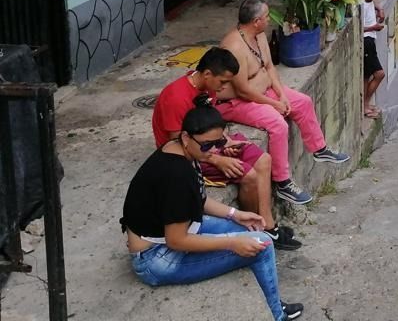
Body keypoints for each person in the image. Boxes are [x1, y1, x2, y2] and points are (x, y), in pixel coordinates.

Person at [122, 96, 305, 321]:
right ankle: (277, 315)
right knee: (262, 246)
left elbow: (198, 200)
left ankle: (272, 302)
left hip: (174, 232)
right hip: (156, 259)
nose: (213, 151)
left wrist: (235, 214)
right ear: (186, 136)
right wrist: (231, 242)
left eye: (219, 143)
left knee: (250, 230)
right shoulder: (176, 176)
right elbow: (176, 241)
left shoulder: (178, 149)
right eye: (207, 145)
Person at [151, 47, 301, 250]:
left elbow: (211, 123)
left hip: (210, 144)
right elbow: (179, 142)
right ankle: (253, 232)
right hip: (188, 156)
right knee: (248, 175)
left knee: (264, 160)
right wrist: (217, 158)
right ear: (207, 74)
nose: (225, 87)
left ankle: (268, 227)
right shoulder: (176, 97)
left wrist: (225, 142)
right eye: (223, 81)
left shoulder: (208, 87)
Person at [219, 0, 351, 207]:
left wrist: (281, 95)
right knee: (277, 124)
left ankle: (319, 148)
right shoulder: (234, 46)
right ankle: (283, 182)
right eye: (266, 17)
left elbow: (270, 67)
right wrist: (274, 105)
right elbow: (243, 91)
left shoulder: (259, 36)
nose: (269, 19)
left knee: (303, 102)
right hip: (236, 102)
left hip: (265, 91)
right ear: (255, 21)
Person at [360, 0, 386, 119]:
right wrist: (373, 27)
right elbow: (358, 28)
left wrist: (379, 8)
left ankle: (365, 105)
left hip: (371, 41)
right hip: (366, 41)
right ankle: (365, 104)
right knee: (379, 74)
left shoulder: (369, 2)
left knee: (366, 76)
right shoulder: (361, 5)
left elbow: (371, 3)